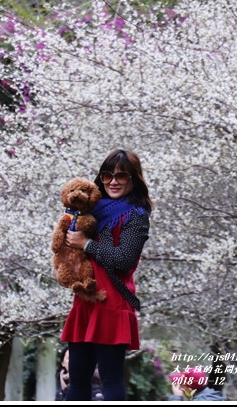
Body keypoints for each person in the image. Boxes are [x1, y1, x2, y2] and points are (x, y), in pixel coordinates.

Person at [61, 149, 153, 401]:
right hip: (85, 300)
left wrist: (86, 244)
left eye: (121, 176)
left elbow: (124, 260)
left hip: (112, 302)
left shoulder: (137, 215)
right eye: (107, 175)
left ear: (134, 179)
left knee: (111, 379)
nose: (113, 181)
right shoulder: (89, 211)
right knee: (77, 381)